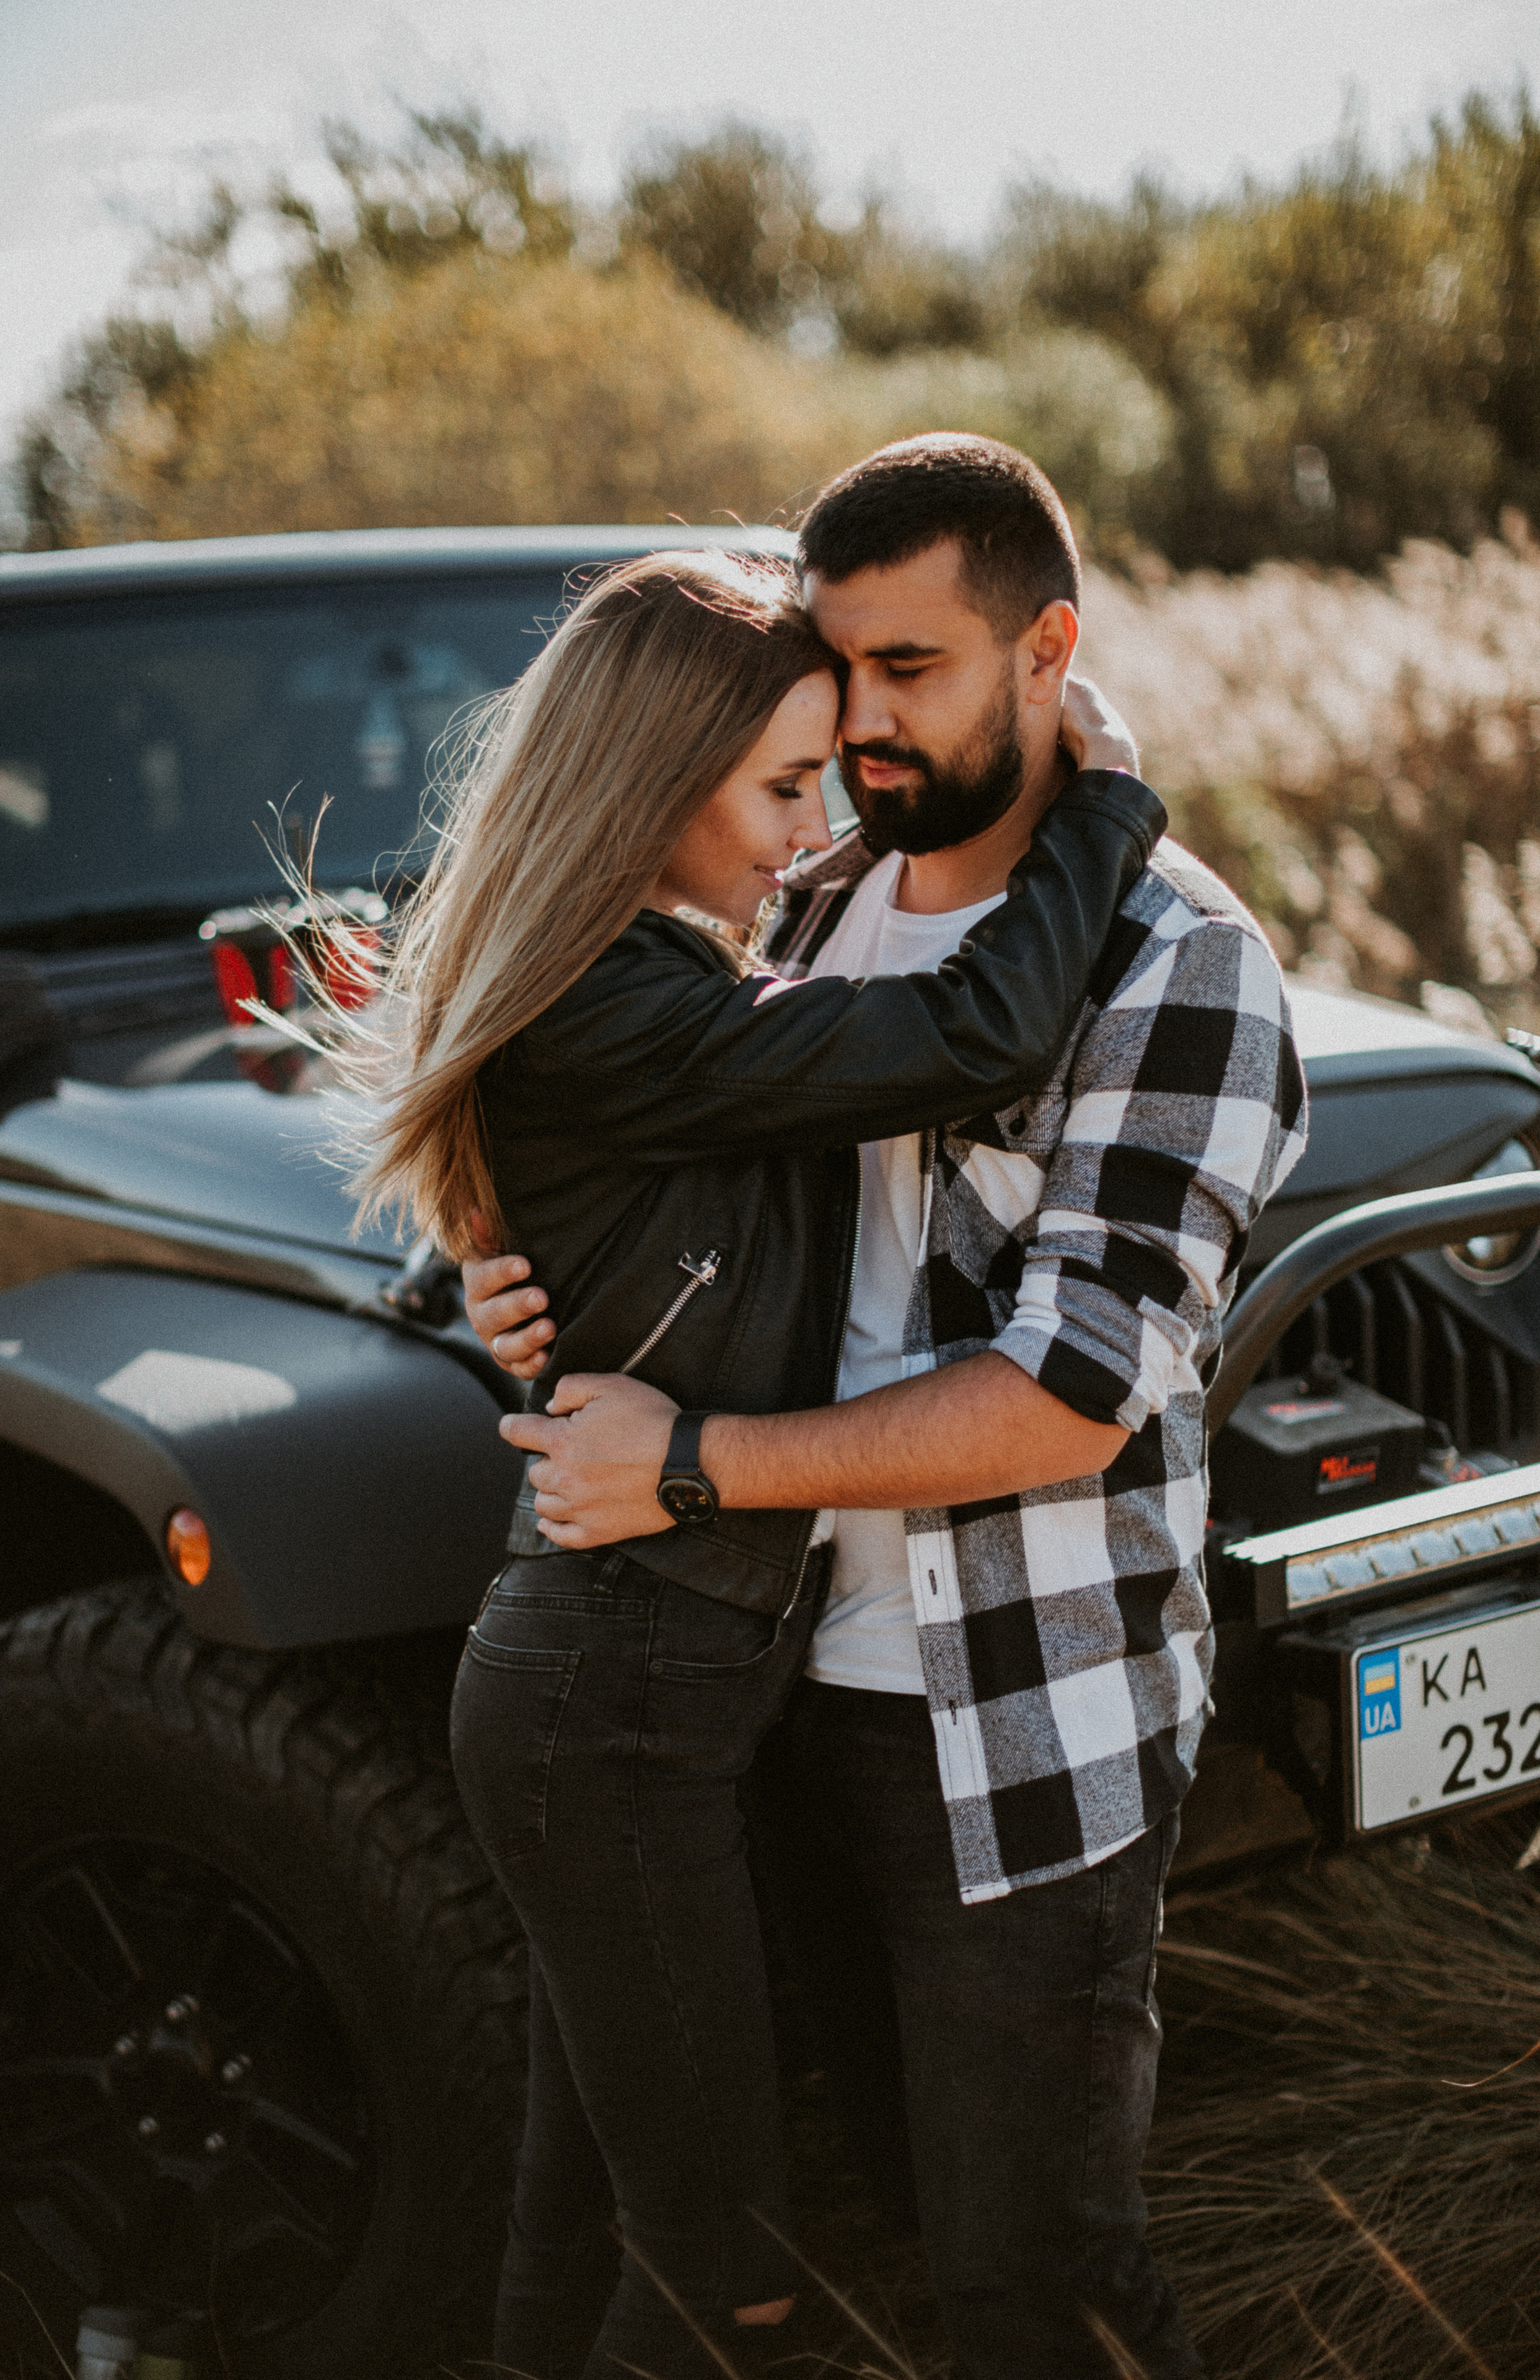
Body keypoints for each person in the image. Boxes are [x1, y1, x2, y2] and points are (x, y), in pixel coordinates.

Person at [465, 435, 1309, 2380]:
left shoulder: (1180, 967)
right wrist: (524, 1290)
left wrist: (689, 1466)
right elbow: (675, 1195)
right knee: (813, 2253)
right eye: (837, 669)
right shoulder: (806, 897)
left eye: (910, 668)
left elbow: (1066, 1404)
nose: (857, 725)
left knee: (1036, 2284)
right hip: (741, 1697)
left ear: (1049, 654)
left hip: (1004, 1724)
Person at [348, 539, 1163, 2380]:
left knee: (587, 2214)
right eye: (786, 788)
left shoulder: (657, 971)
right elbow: (977, 1032)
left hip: (636, 1694)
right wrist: (1108, 807)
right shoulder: (620, 998)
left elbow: (608, 1214)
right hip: (613, 1711)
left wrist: (512, 1278)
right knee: (735, 2282)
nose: (816, 834)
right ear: (650, 787)